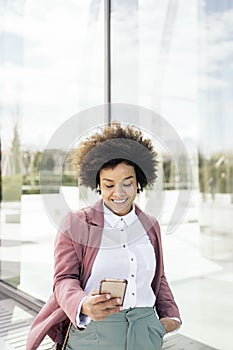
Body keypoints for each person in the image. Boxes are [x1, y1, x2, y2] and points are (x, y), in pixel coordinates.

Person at [26, 122, 181, 350]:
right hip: (95, 334)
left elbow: (159, 277)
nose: (118, 193)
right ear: (97, 184)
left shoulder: (150, 225)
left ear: (138, 182)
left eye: (127, 183)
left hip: (146, 332)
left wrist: (171, 317)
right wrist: (84, 304)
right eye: (109, 185)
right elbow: (63, 280)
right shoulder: (78, 224)